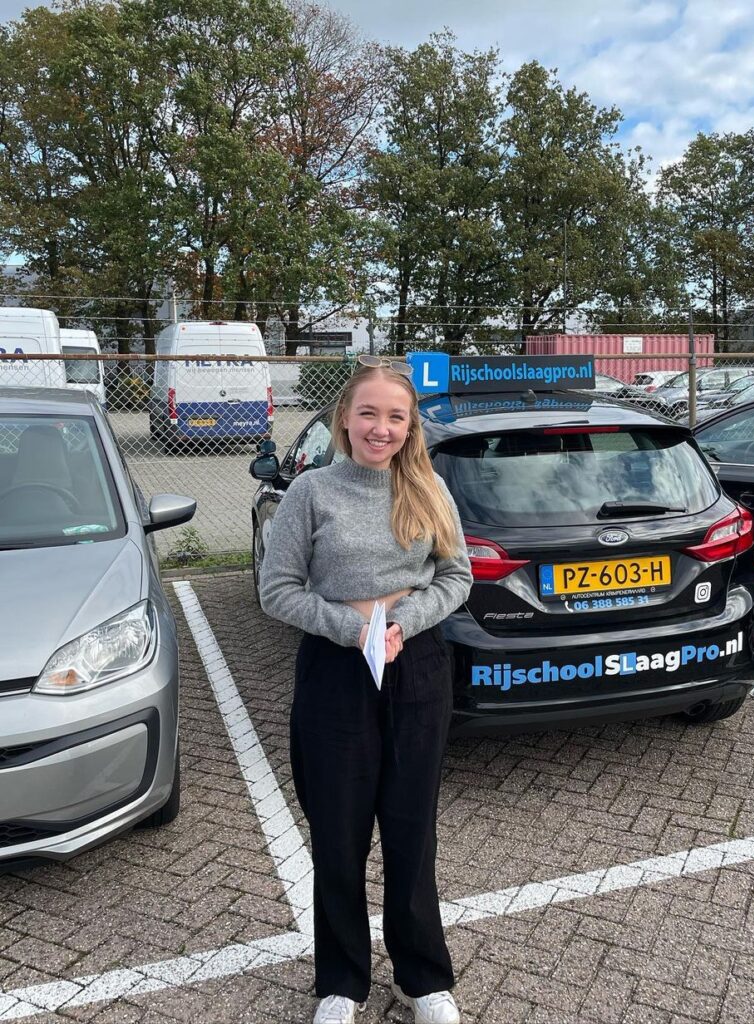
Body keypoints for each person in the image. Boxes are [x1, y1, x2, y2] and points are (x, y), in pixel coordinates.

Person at [259, 357, 473, 1024]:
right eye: (368, 414)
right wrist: (351, 630)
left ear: (410, 428)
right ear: (343, 419)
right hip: (335, 673)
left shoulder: (430, 489)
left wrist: (402, 623)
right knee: (338, 835)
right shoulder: (310, 493)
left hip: (416, 669)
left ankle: (423, 979)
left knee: (411, 832)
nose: (380, 429)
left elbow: (456, 576)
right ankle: (341, 985)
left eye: (396, 417)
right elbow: (277, 590)